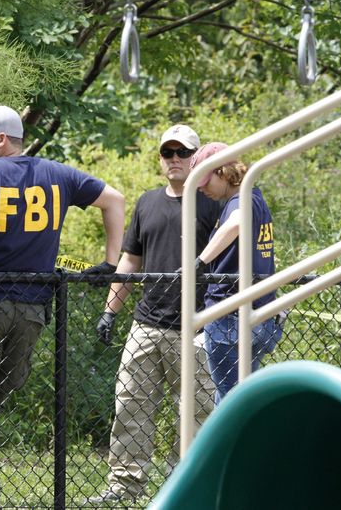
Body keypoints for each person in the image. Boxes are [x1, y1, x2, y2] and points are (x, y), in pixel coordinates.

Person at [0, 105, 125, 509]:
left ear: (2, 139)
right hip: (32, 307)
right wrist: (111, 262)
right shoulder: (59, 174)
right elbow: (114, 200)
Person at [87, 125, 220, 504]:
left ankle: (189, 483)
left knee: (197, 414)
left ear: (197, 157)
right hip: (146, 325)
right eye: (168, 152)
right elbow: (130, 260)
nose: (175, 158)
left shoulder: (212, 202)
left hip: (198, 326)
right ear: (160, 159)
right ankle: (123, 486)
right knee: (130, 406)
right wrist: (110, 312)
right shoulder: (147, 203)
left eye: (183, 152)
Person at [190, 142, 282, 403]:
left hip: (229, 315)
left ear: (222, 171)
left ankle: (232, 444)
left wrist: (199, 261)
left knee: (230, 404)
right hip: (258, 312)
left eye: (205, 181)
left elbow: (237, 223)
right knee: (240, 399)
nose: (202, 189)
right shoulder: (255, 197)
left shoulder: (241, 202)